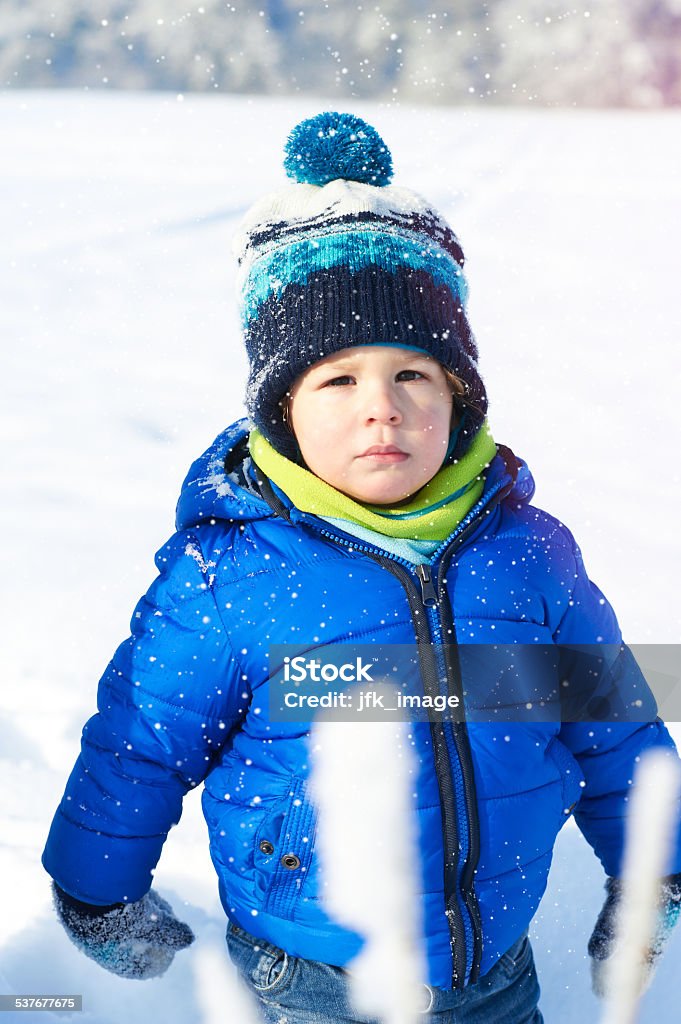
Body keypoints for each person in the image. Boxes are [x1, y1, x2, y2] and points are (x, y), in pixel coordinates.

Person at [43, 112, 681, 1023]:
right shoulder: (232, 570)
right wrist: (98, 890)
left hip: (495, 967)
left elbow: (610, 721)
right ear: (281, 410)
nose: (379, 409)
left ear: (457, 398)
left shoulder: (528, 552)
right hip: (312, 976)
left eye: (412, 377)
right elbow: (142, 741)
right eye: (336, 380)